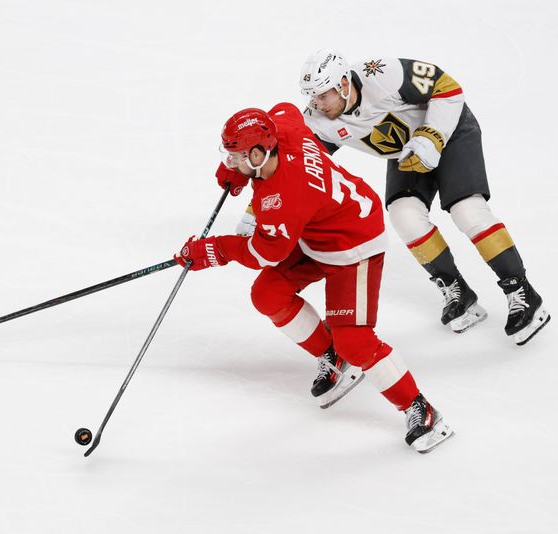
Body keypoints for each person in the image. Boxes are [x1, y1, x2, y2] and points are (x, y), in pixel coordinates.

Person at [175, 103, 453, 453]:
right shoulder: (283, 131)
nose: (231, 161)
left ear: (259, 154)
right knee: (268, 294)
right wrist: (238, 169)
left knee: (355, 340)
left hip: (354, 246)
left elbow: (264, 253)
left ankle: (420, 408)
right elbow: (284, 109)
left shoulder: (284, 198)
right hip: (317, 231)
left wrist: (213, 250)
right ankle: (334, 356)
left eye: (237, 156)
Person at [298, 49, 550, 345]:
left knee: (467, 210)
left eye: (322, 95)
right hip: (407, 151)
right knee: (404, 216)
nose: (316, 103)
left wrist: (432, 135)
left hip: (450, 132)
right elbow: (300, 169)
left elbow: (448, 87)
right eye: (312, 96)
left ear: (343, 84)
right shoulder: (316, 120)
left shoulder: (381, 73)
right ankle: (458, 290)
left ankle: (521, 290)